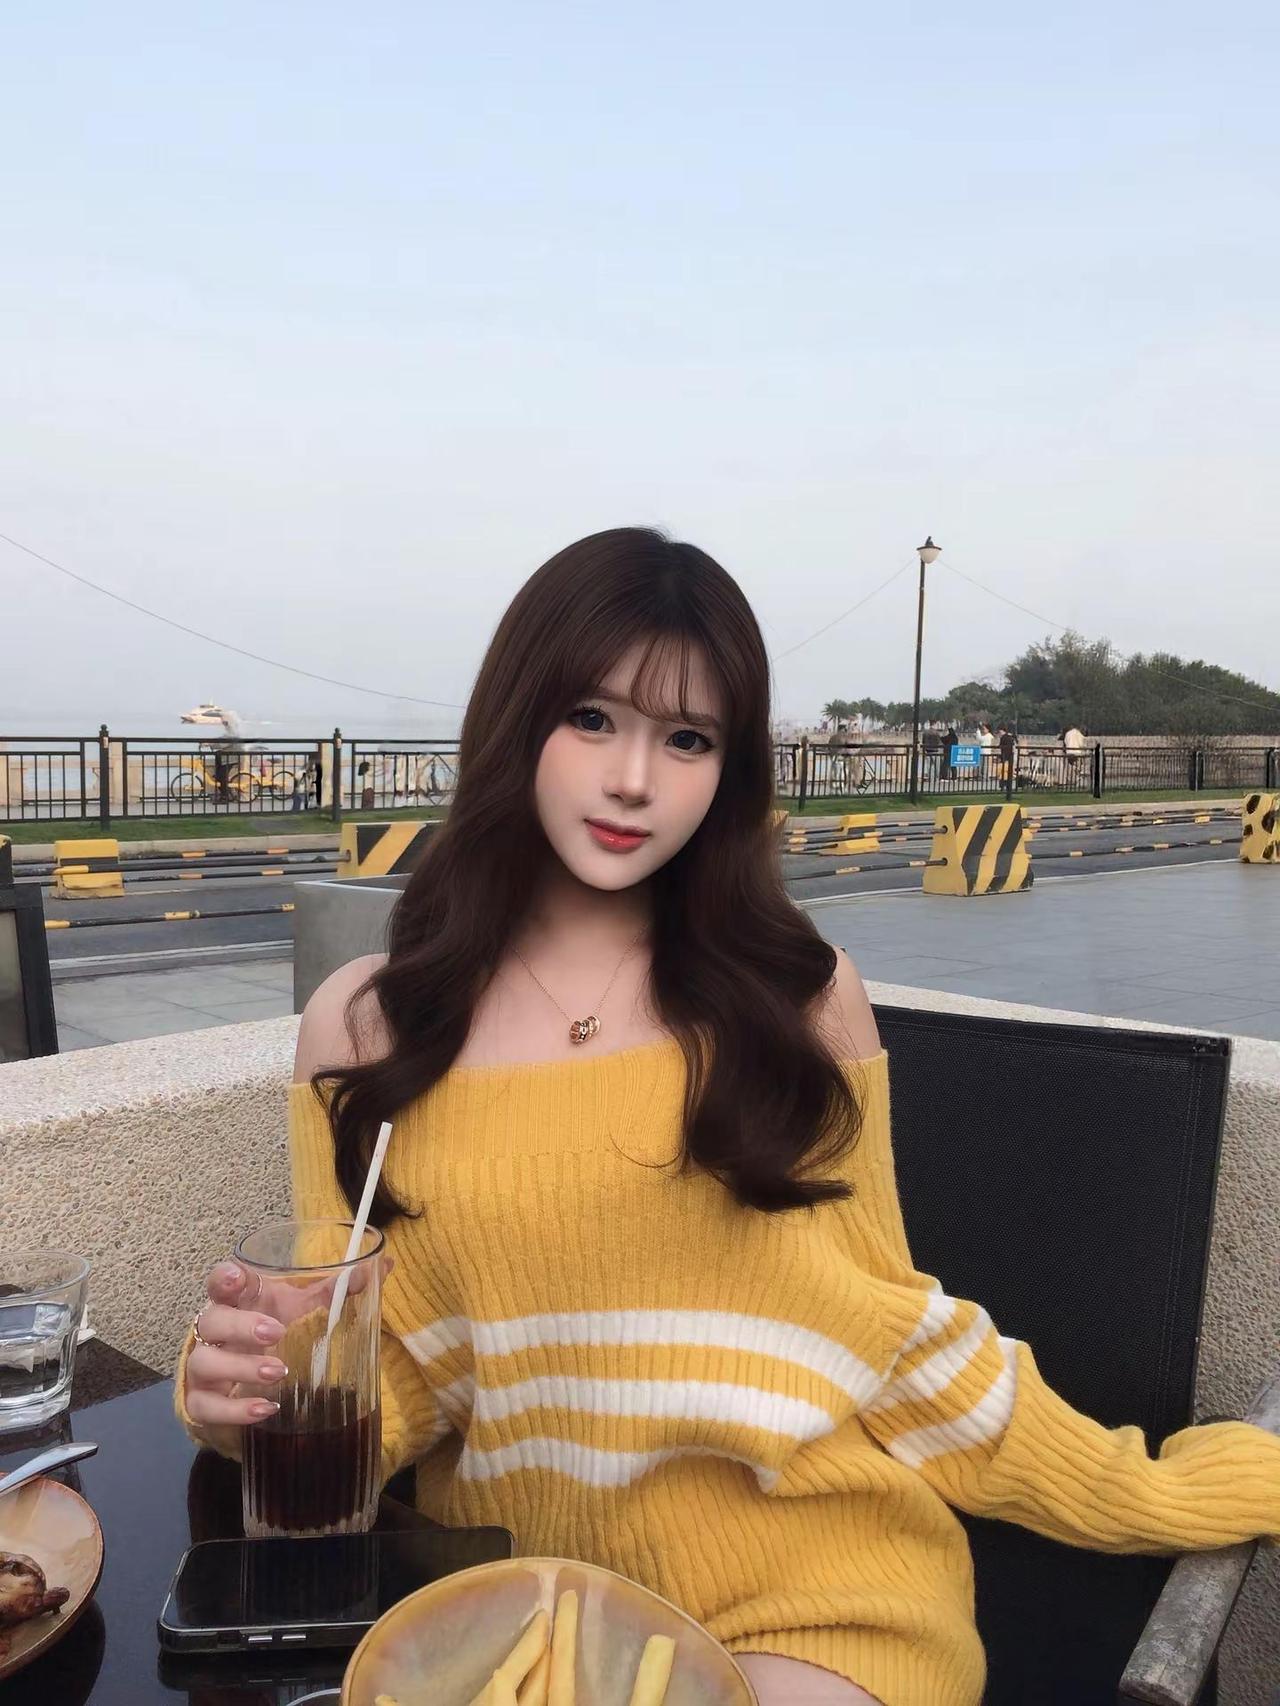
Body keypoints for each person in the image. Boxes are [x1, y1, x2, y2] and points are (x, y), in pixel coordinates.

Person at [176, 529, 1280, 1706]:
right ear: (515, 719)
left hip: (812, 1602)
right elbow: (379, 1383)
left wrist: (1158, 1490)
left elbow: (892, 1336)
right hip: (521, 1618)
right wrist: (245, 1398)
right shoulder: (367, 1027)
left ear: (728, 767)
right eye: (592, 718)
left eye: (686, 738)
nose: (633, 779)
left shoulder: (795, 1001)